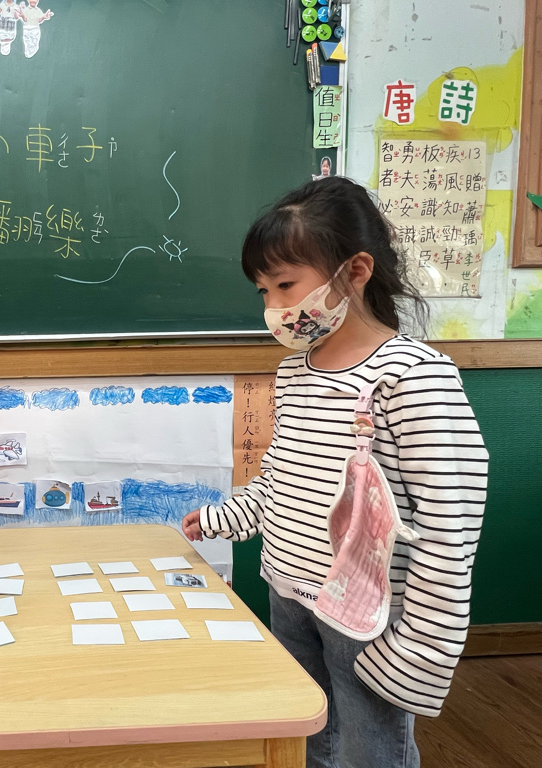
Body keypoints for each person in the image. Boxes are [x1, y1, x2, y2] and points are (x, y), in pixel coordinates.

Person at [182, 176, 488, 768]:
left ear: (356, 271)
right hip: (288, 594)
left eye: (286, 285)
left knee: (368, 753)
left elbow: (450, 527)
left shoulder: (413, 377)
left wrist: (418, 649)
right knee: (306, 742)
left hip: (367, 619)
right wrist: (225, 517)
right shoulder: (295, 372)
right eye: (263, 291)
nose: (273, 308)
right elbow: (282, 480)